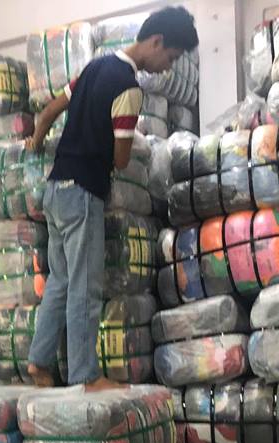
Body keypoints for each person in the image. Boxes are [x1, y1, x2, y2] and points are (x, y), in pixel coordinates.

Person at [24, 7, 198, 390]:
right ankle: (86, 376)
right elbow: (120, 159)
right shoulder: (128, 88)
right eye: (170, 58)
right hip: (83, 193)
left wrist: (35, 142)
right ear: (157, 42)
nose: (167, 68)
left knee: (60, 281)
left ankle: (38, 362)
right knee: (85, 289)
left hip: (55, 190)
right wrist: (131, 139)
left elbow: (50, 110)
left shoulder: (94, 68)